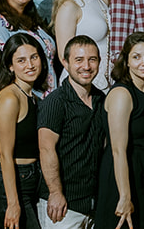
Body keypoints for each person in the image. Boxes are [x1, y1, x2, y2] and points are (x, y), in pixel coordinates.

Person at [92, 32, 144, 229]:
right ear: (127, 61)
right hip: (124, 175)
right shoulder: (122, 94)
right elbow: (117, 150)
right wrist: (124, 196)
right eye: (136, 57)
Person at [37, 35, 107, 229]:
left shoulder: (102, 99)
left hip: (93, 204)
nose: (86, 66)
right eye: (79, 60)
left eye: (92, 59)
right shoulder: (55, 102)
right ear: (65, 63)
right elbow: (46, 149)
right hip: (63, 206)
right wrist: (55, 192)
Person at [0, 32, 50, 229]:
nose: (30, 65)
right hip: (14, 180)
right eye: (21, 60)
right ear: (10, 66)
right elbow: (5, 154)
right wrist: (13, 203)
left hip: (33, 178)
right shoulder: (10, 98)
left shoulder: (34, 97)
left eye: (34, 57)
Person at [50, 0, 109, 91]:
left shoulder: (101, 2)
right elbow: (64, 56)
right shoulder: (70, 6)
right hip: (83, 84)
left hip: (105, 81)